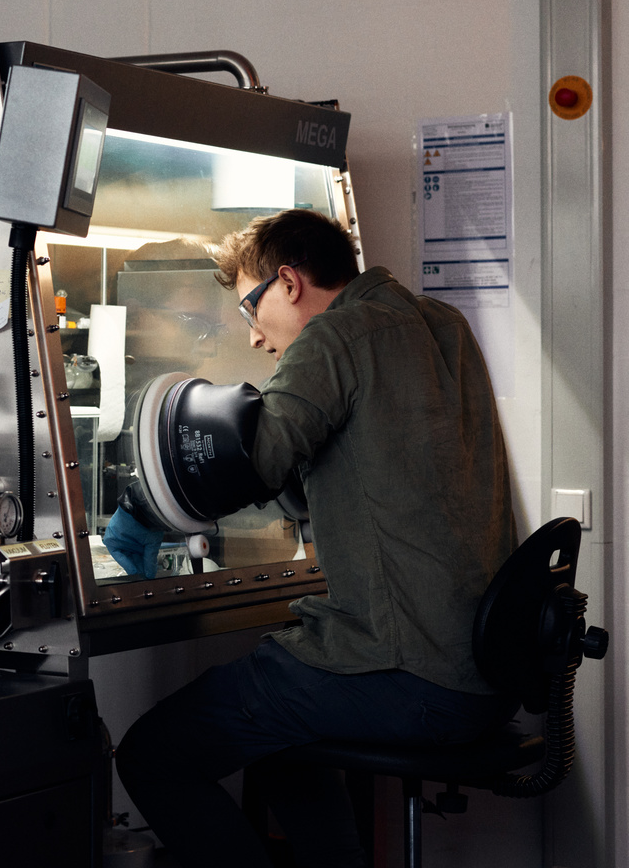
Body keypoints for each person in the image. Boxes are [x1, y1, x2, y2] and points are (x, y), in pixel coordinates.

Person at [113, 208, 518, 868]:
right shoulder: (440, 322)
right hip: (481, 664)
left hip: (405, 671)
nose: (253, 335)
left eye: (252, 305)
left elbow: (255, 461)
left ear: (289, 282)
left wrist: (137, 507)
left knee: (152, 754)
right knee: (274, 728)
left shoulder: (336, 337)